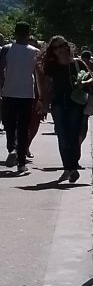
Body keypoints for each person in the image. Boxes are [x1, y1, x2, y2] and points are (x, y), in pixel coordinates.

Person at [36, 36, 93, 183]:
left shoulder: (78, 63)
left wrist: (84, 82)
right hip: (58, 103)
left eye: (63, 45)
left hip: (76, 102)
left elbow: (92, 78)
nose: (60, 49)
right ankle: (68, 168)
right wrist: (43, 101)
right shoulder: (51, 66)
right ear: (52, 51)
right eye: (56, 47)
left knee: (73, 136)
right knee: (62, 136)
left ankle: (72, 167)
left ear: (67, 46)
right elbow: (45, 85)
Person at [0, 22, 40, 174]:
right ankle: (21, 162)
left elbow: (0, 70)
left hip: (8, 92)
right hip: (26, 94)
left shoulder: (6, 49)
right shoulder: (35, 52)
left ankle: (12, 148)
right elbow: (39, 76)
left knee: (9, 125)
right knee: (23, 127)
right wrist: (42, 96)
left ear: (15, 33)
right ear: (28, 34)